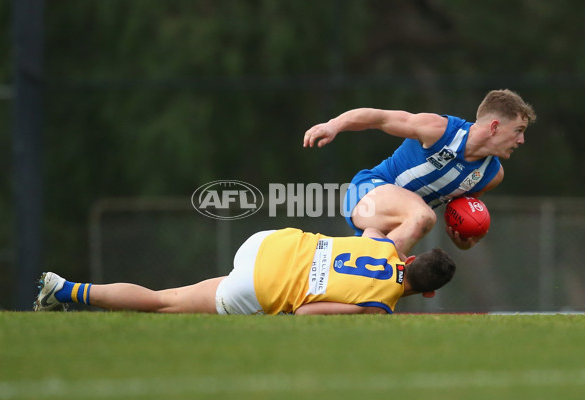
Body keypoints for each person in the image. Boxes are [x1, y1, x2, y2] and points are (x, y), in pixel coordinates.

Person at [303, 89, 536, 255]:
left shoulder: (491, 175)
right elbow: (380, 118)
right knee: (422, 218)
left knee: (428, 278)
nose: (522, 140)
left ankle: (345, 274)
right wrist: (333, 125)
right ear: (495, 127)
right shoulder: (439, 130)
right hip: (367, 192)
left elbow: (459, 214)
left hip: (395, 226)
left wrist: (465, 239)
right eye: (518, 130)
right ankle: (366, 276)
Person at [34, 227, 455, 315]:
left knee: (175, 296)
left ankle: (63, 293)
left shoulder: (383, 245)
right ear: (430, 293)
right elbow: (308, 315)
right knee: (164, 303)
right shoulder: (379, 307)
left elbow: (372, 225)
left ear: (413, 259)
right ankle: (65, 290)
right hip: (261, 285)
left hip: (269, 241)